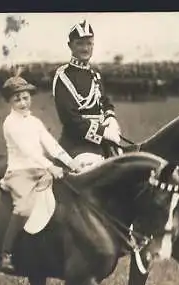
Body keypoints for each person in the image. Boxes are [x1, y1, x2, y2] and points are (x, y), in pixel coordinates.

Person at [0, 76, 82, 272]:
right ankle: (6, 253)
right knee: (24, 209)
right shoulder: (10, 123)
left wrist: (70, 162)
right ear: (9, 102)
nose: (22, 103)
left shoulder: (34, 121)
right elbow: (29, 151)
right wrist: (50, 167)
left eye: (25, 97)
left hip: (40, 169)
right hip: (20, 171)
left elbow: (51, 144)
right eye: (17, 99)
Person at [52, 19, 122, 171]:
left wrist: (111, 118)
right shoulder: (63, 76)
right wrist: (103, 132)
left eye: (89, 43)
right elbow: (70, 120)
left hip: (101, 143)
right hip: (76, 143)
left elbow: (104, 102)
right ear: (70, 45)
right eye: (80, 43)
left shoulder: (95, 74)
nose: (85, 48)